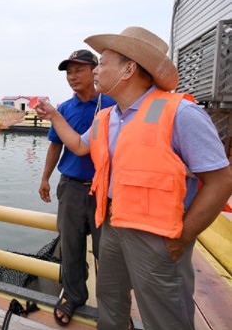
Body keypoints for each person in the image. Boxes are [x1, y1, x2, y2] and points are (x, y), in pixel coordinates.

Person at [35, 26, 232, 330]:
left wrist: (184, 235)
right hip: (113, 225)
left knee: (165, 315)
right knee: (111, 303)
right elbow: (78, 145)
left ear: (128, 69)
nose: (95, 70)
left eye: (102, 63)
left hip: (160, 237)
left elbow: (221, 181)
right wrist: (54, 115)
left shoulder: (180, 113)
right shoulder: (108, 118)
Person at [39, 49, 115, 326]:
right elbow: (55, 146)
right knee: (70, 247)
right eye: (69, 72)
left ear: (95, 71)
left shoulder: (111, 105)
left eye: (79, 70)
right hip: (70, 187)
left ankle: (113, 306)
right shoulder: (64, 109)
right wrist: (45, 178)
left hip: (104, 189)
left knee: (108, 251)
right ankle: (73, 295)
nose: (73, 76)